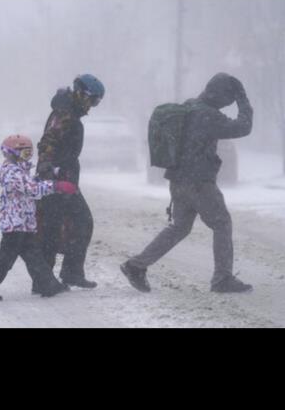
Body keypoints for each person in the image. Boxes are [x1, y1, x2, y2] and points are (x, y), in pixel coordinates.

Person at [120, 72, 255, 293]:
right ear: (220, 95)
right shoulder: (208, 115)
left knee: (179, 228)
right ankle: (222, 279)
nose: (227, 104)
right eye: (228, 99)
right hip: (199, 182)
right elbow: (243, 127)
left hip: (178, 180)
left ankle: (136, 265)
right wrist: (243, 100)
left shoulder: (189, 107)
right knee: (222, 223)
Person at [0, 134, 79, 301]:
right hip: (14, 224)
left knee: (34, 256)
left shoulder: (20, 171)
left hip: (25, 223)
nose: (27, 156)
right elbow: (31, 189)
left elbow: (30, 182)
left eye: (30, 152)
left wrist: (49, 173)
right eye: (24, 153)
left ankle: (48, 285)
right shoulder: (12, 172)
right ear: (11, 153)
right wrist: (56, 186)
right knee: (5, 258)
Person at [33, 73, 105, 291]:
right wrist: (48, 167)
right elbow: (48, 141)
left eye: (96, 102)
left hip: (65, 178)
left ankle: (68, 274)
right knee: (55, 227)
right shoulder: (64, 113)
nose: (92, 106)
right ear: (82, 94)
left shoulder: (69, 112)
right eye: (92, 100)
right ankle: (45, 280)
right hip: (56, 179)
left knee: (72, 224)